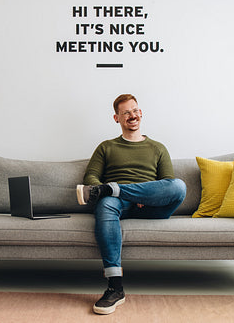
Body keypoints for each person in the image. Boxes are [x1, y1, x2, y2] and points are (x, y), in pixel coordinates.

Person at [76, 94, 186, 315]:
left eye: (134, 110)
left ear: (141, 113)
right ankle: (115, 288)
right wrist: (122, 194)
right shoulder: (106, 147)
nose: (132, 116)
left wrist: (144, 196)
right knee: (106, 201)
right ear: (116, 118)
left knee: (180, 186)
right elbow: (91, 180)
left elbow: (168, 185)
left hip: (152, 206)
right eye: (125, 113)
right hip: (119, 205)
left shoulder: (158, 148)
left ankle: (114, 188)